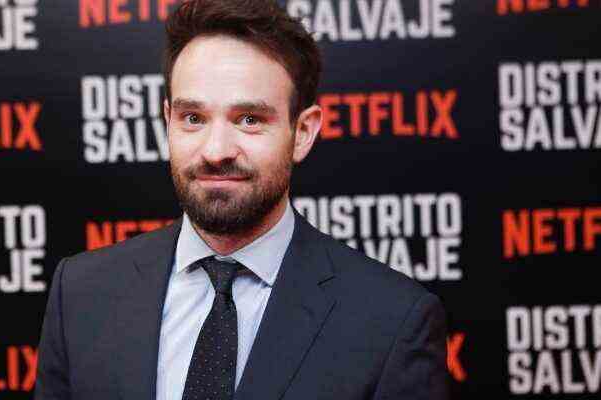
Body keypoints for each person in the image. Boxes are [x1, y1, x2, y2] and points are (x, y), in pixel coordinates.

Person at [35, 0, 449, 399]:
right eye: (193, 118)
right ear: (168, 121)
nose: (216, 150)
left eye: (249, 120)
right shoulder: (81, 295)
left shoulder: (391, 321)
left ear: (303, 131)